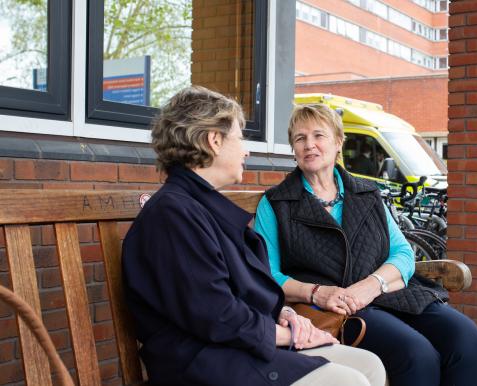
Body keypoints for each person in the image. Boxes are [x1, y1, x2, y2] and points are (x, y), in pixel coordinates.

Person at [121, 86, 386, 386]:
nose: (246, 150)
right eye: (240, 137)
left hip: (234, 347)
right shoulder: (172, 215)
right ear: (214, 140)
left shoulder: (197, 207)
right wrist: (291, 335)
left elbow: (236, 295)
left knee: (369, 365)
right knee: (348, 381)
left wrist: (285, 314)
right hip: (202, 362)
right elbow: (215, 314)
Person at [255, 103, 477, 386]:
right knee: (416, 353)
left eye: (318, 136)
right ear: (293, 147)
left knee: (466, 338)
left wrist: (373, 285)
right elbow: (268, 275)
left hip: (385, 293)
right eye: (300, 138)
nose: (309, 145)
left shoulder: (367, 193)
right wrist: (318, 293)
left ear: (338, 142)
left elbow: (402, 253)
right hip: (334, 309)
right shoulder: (277, 203)